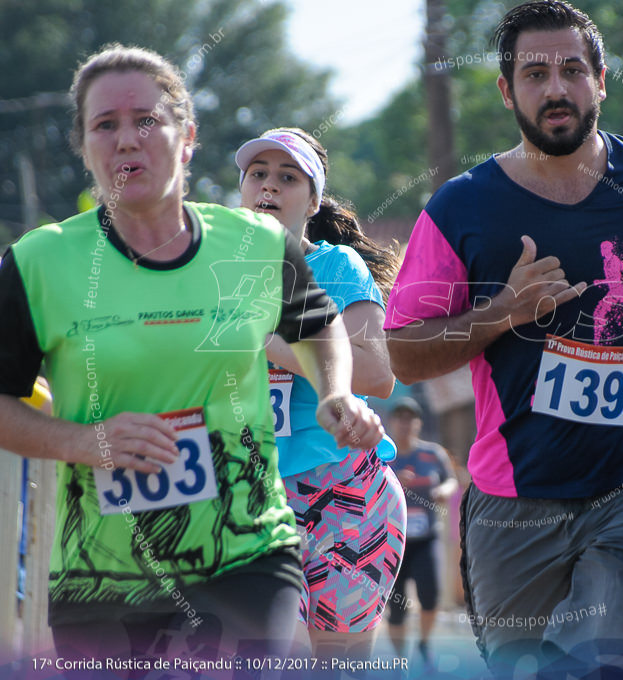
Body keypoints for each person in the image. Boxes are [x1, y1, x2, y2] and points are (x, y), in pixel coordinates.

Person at [0, 45, 383, 664]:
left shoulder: (257, 244)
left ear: (187, 138)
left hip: (247, 552)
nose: (127, 140)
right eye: (106, 125)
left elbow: (322, 327)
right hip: (101, 571)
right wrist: (82, 443)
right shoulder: (38, 262)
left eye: (147, 120)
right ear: (84, 144)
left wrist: (336, 391)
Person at [384, 1, 623, 675]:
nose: (556, 89)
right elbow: (404, 350)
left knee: (608, 655)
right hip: (514, 502)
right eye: (535, 73)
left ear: (600, 81)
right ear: (507, 90)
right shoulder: (461, 207)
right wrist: (504, 312)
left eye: (572, 70)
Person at [235, 127, 406, 658]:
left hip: (344, 497)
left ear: (311, 201)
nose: (269, 186)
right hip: (251, 498)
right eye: (257, 174)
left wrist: (267, 340)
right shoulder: (213, 271)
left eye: (288, 177)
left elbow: (378, 375)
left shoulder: (336, 266)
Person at [384, 397, 457, 666]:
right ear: (391, 422)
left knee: (430, 596)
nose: (405, 424)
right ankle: (399, 660)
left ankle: (425, 643)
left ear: (418, 423)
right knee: (397, 609)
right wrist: (392, 481)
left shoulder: (432, 453)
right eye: (400, 418)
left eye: (410, 418)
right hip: (392, 541)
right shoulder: (383, 454)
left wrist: (444, 491)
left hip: (426, 538)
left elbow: (451, 480)